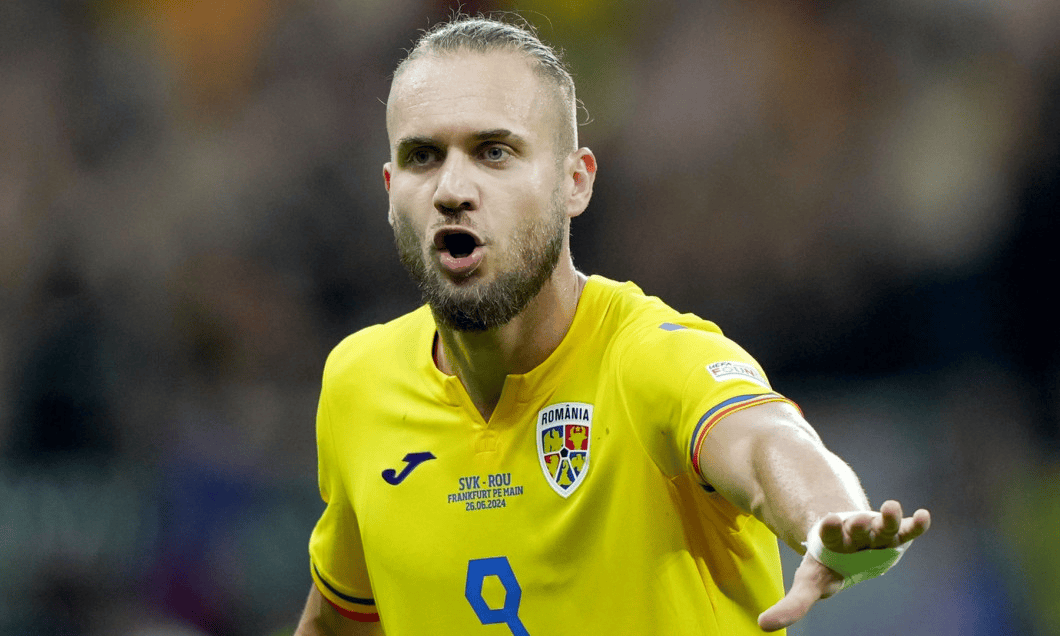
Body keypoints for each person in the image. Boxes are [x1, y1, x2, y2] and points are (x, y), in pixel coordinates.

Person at [294, 14, 931, 636]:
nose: (451, 189)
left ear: (574, 183)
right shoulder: (359, 384)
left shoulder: (648, 359)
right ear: (389, 189)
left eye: (494, 152)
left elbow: (767, 444)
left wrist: (826, 520)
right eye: (422, 156)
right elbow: (338, 618)